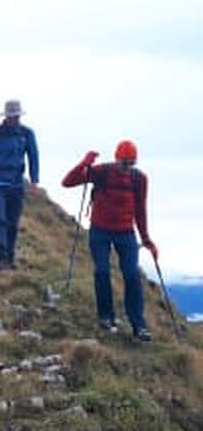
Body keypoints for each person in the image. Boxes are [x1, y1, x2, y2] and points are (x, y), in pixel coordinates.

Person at [61, 140, 158, 341]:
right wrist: (84, 164)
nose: (127, 168)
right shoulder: (102, 171)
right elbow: (67, 182)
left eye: (131, 164)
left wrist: (146, 239)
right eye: (124, 163)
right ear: (116, 159)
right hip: (100, 231)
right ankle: (106, 317)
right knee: (102, 271)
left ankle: (138, 325)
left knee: (132, 276)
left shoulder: (139, 179)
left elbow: (141, 210)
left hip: (126, 233)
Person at [0, 99, 40, 271]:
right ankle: (1, 259)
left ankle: (10, 258)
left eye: (16, 116)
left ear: (19, 115)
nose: (14, 119)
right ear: (5, 116)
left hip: (17, 184)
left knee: (13, 223)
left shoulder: (27, 134)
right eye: (11, 116)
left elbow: (33, 157)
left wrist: (34, 180)